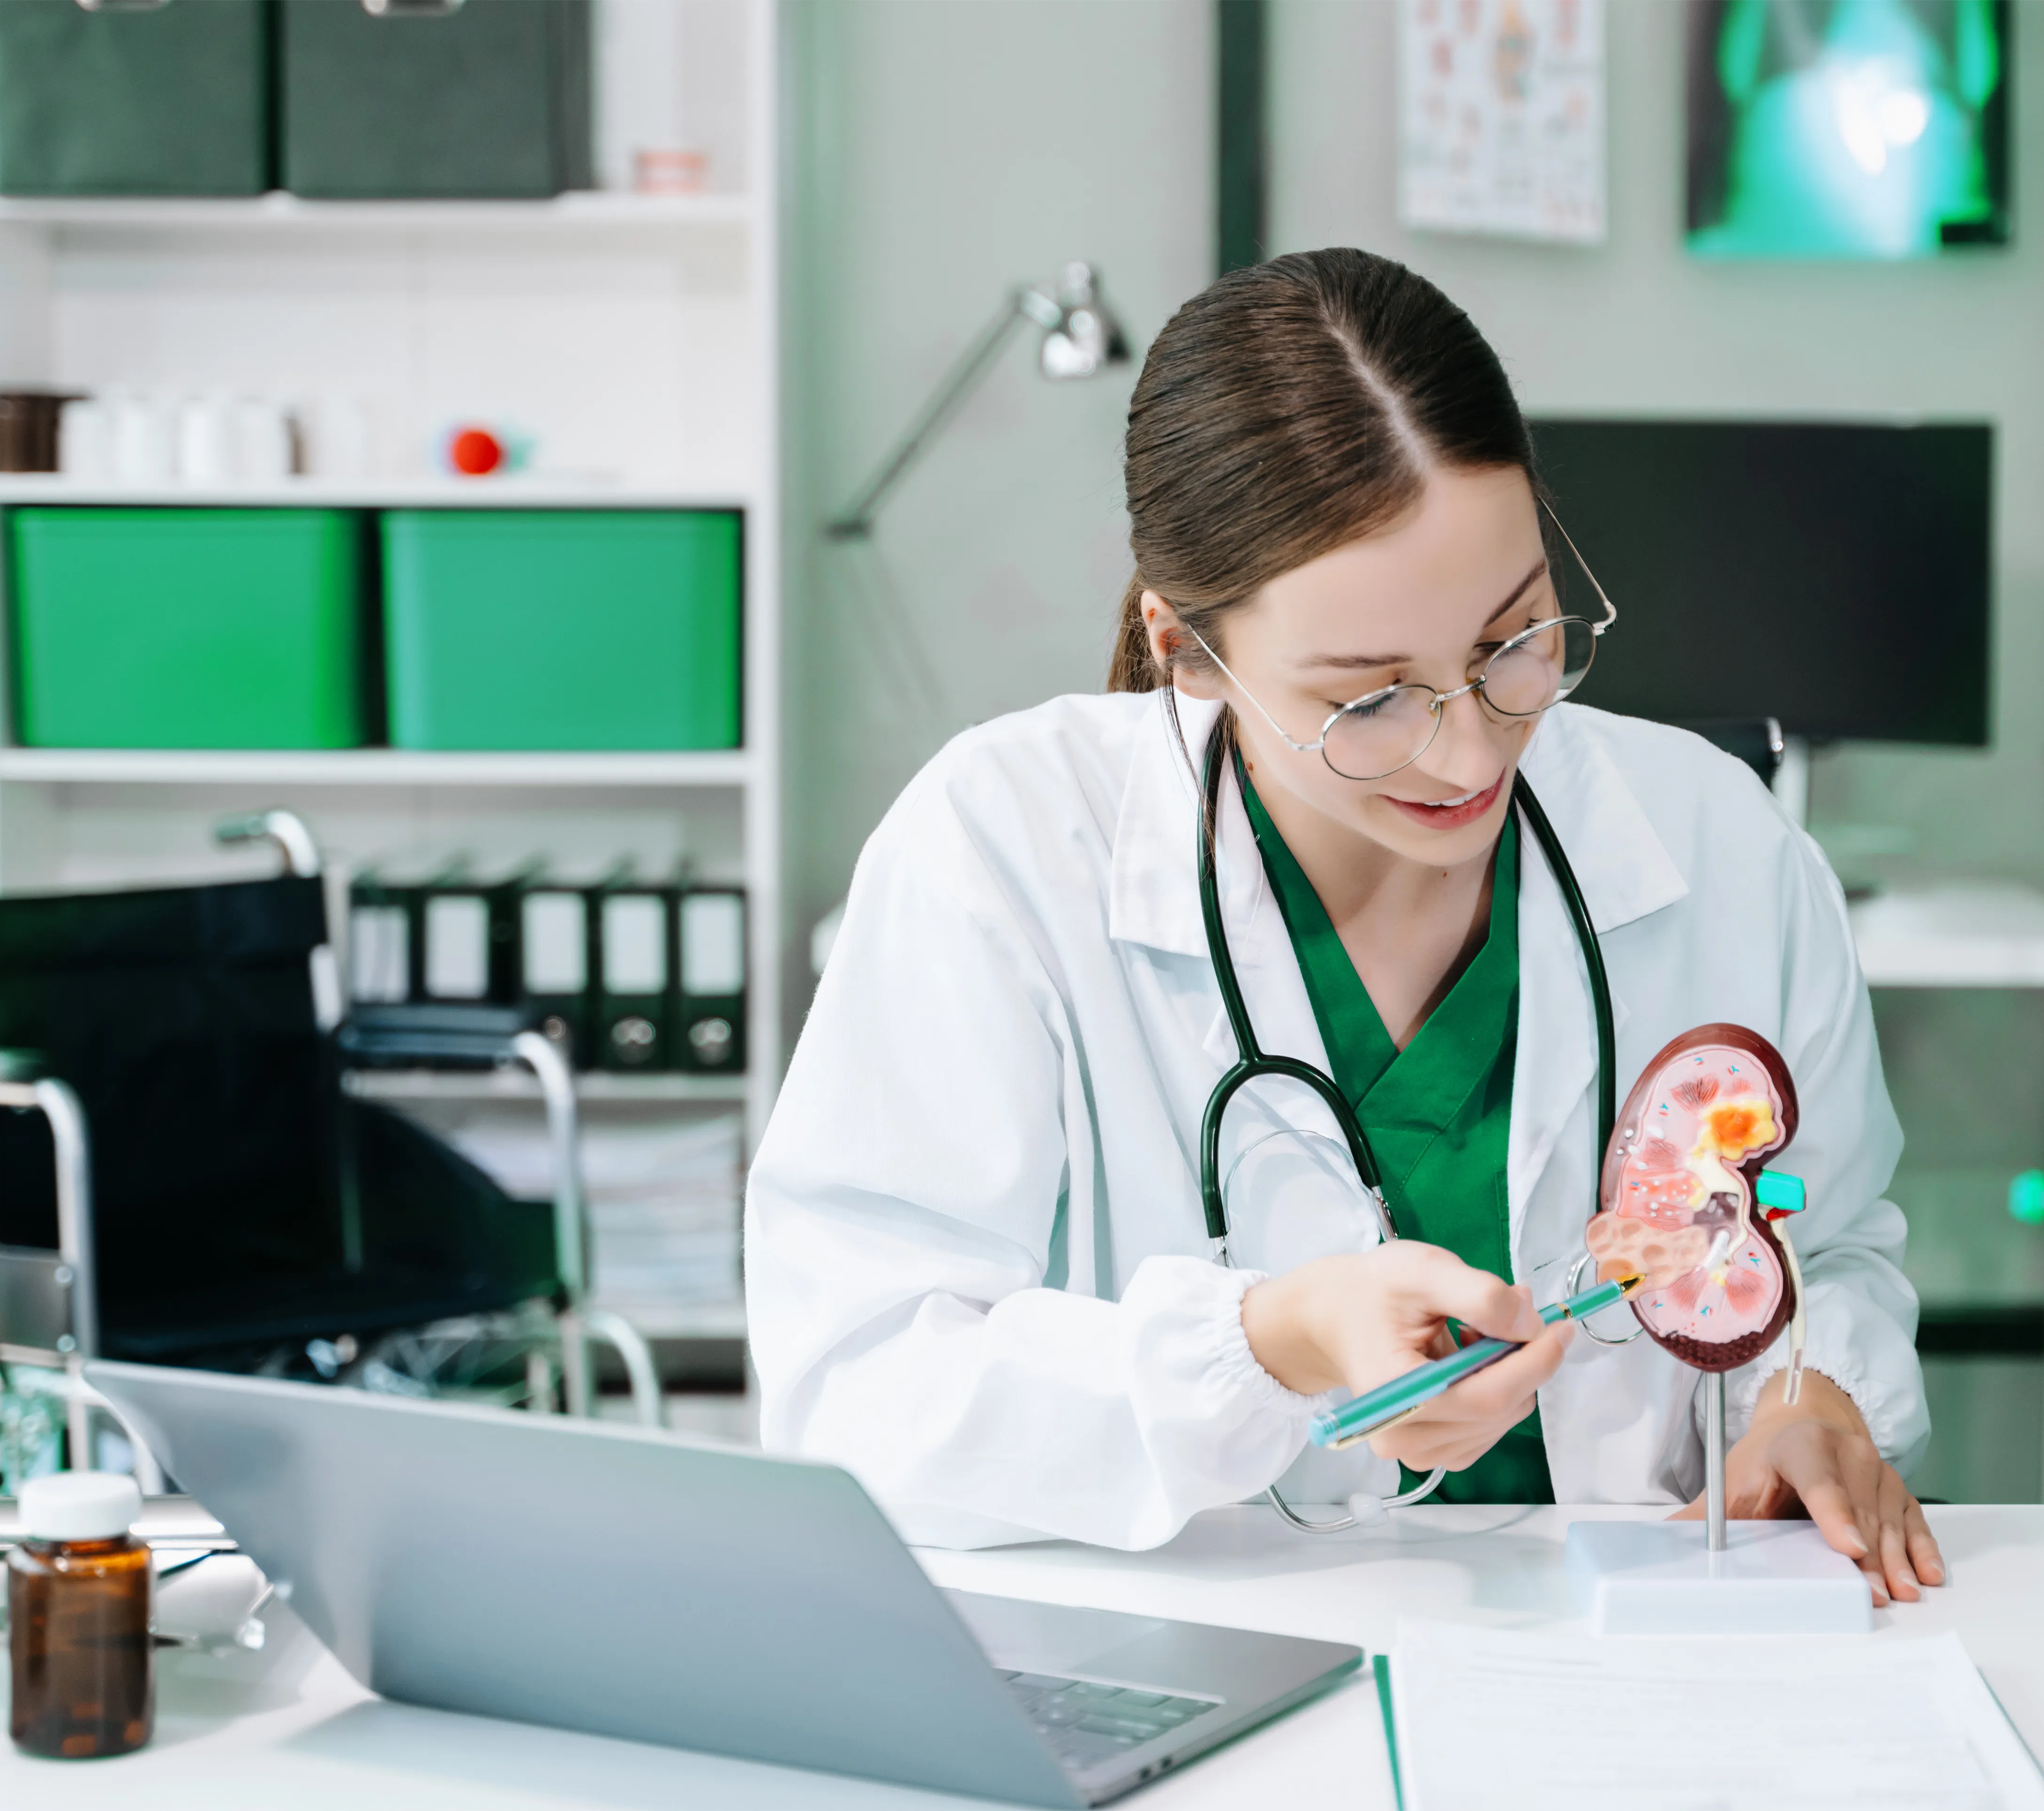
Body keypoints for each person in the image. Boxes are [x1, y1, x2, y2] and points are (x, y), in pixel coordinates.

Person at [747, 248, 1942, 1605]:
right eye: (1368, 698)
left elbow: (1829, 1242)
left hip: (1636, 1668)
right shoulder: (1003, 849)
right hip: (1205, 1669)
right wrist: (1268, 1344)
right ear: (1187, 653)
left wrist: (1810, 1396)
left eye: (1515, 642)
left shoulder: (1714, 841)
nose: (1467, 750)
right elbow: (852, 1396)